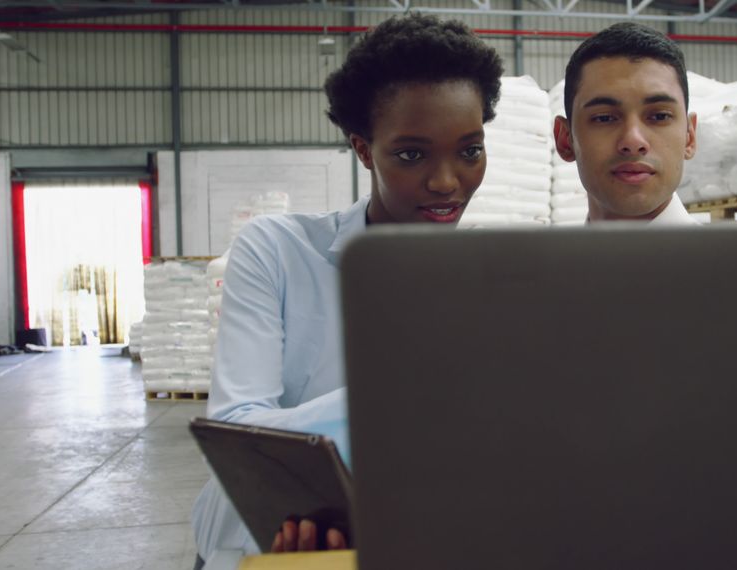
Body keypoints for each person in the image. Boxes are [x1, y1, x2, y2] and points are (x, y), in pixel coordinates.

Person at [190, 14, 503, 567]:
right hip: (266, 539)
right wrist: (417, 403)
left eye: (469, 150)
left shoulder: (496, 281)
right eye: (411, 154)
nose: (447, 181)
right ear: (363, 149)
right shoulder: (280, 251)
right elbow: (238, 430)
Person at [553, 22, 699, 225]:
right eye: (604, 118)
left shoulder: (729, 258)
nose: (633, 140)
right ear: (565, 141)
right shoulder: (550, 258)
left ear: (689, 137)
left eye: (659, 117)